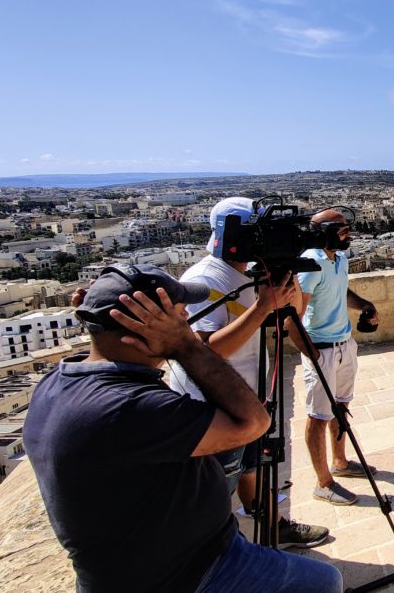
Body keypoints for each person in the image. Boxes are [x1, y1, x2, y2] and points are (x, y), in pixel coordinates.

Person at [23, 265, 343, 592]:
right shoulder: (126, 407)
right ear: (141, 329)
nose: (187, 318)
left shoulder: (59, 382)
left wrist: (100, 309)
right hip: (187, 574)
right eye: (178, 315)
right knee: (325, 582)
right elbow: (254, 423)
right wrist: (184, 345)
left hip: (178, 558)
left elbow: (109, 343)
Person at [168, 197, 328, 549]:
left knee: (253, 467)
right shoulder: (204, 279)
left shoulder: (253, 272)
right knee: (219, 482)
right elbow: (205, 352)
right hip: (213, 404)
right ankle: (215, 552)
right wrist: (261, 307)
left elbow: (289, 317)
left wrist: (286, 279)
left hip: (248, 397)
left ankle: (274, 526)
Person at [287, 209, 378, 505]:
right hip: (323, 349)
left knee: (341, 406)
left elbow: (340, 290)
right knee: (318, 416)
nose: (348, 233)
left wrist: (364, 305)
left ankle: (340, 462)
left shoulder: (339, 259)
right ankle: (323, 483)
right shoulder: (310, 264)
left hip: (344, 344)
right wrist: (314, 355)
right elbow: (293, 318)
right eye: (342, 229)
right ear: (323, 232)